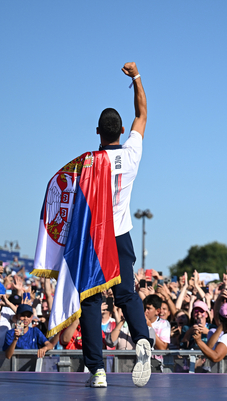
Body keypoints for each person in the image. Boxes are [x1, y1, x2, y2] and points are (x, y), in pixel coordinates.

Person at [78, 62, 152, 388]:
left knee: (92, 302)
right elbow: (143, 113)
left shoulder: (88, 163)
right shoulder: (132, 155)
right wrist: (136, 77)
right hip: (121, 233)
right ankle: (141, 340)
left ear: (98, 132)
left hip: (96, 237)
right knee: (126, 294)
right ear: (122, 132)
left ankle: (97, 370)